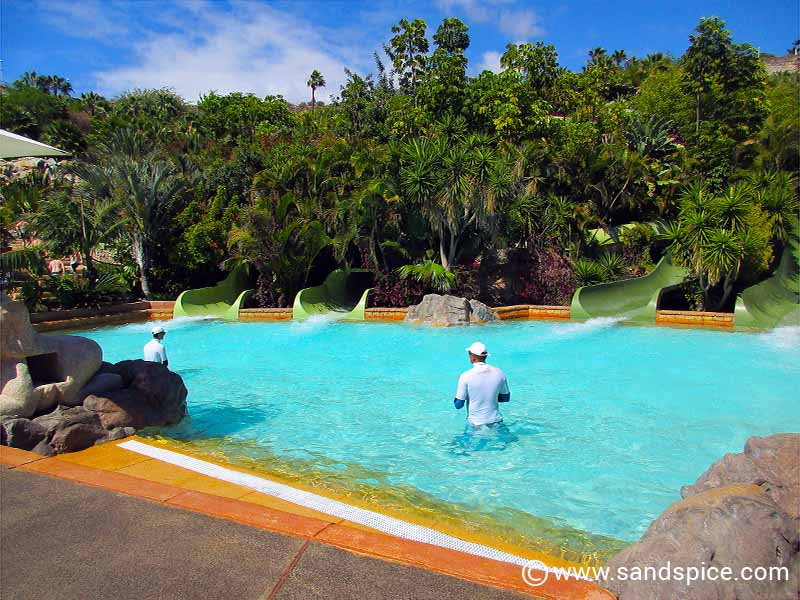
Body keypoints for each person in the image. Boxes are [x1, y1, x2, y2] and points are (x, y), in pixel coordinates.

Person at [453, 342, 510, 427]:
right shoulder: (499, 372)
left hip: (476, 424)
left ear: (472, 357)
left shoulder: (465, 376)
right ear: (486, 356)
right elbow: (506, 398)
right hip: (496, 421)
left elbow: (458, 405)